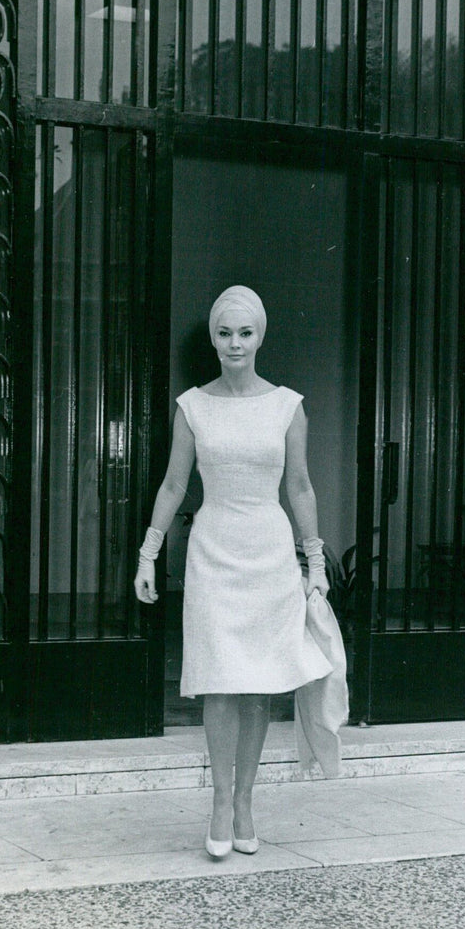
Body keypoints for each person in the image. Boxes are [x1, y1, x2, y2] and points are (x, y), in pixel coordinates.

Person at [134, 285, 333, 859]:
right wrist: (148, 554)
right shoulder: (192, 405)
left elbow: (299, 487)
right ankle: (220, 799)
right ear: (214, 339)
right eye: (224, 333)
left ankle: (246, 799)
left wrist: (314, 563)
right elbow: (175, 484)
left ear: (260, 336)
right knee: (220, 681)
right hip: (214, 548)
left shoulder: (288, 406)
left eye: (244, 332)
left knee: (260, 687)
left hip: (269, 552)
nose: (234, 343)